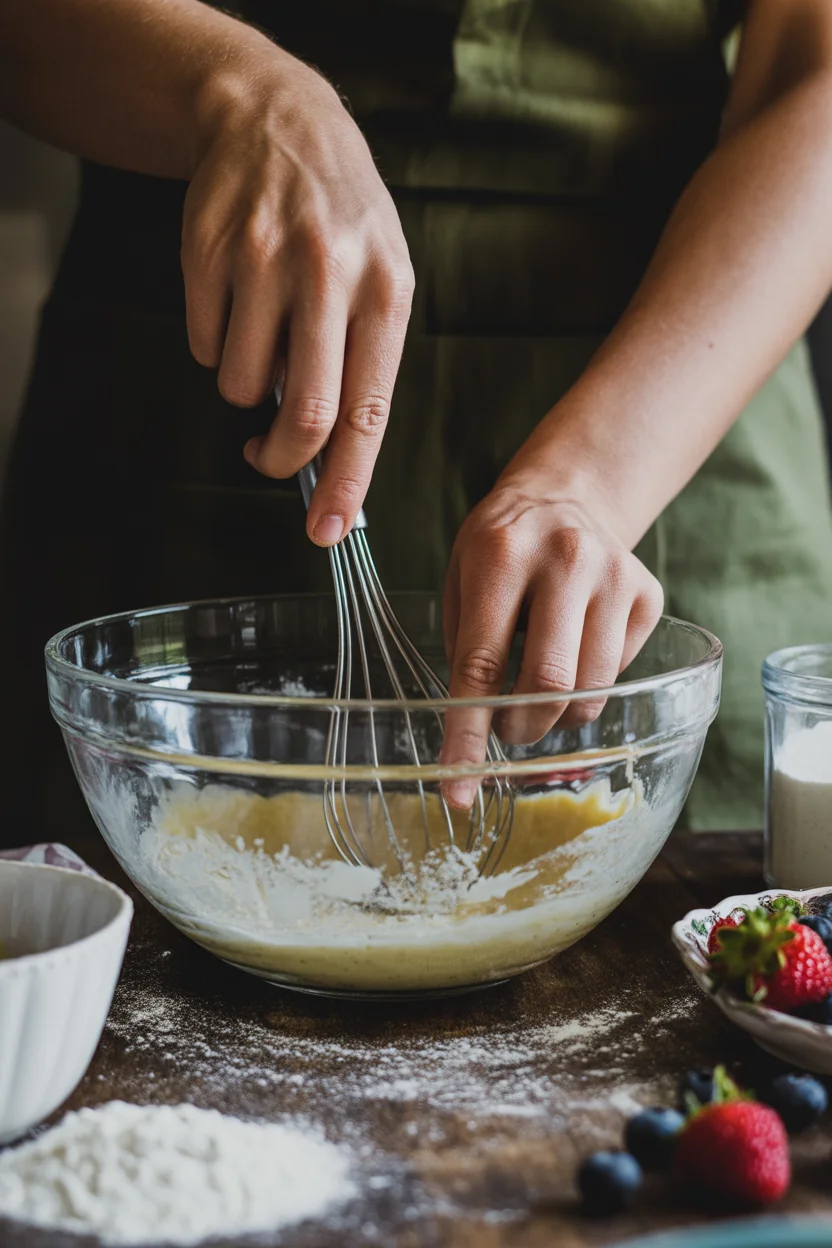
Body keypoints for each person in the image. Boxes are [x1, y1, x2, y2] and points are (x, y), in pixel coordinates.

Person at [0, 0, 831, 846]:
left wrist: (595, 481)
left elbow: (818, 77)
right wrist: (236, 93)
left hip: (685, 381)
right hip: (185, 400)